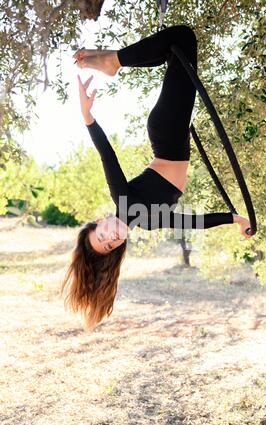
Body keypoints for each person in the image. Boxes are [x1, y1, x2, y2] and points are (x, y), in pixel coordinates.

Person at [61, 25, 252, 331]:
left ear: (100, 221)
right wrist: (234, 219)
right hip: (171, 135)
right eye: (109, 246)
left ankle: (114, 61)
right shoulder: (146, 221)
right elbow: (193, 223)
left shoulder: (123, 200)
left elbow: (107, 157)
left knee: (183, 39)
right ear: (118, 249)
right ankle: (113, 60)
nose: (111, 238)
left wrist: (87, 116)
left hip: (167, 133)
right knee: (175, 49)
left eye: (102, 235)